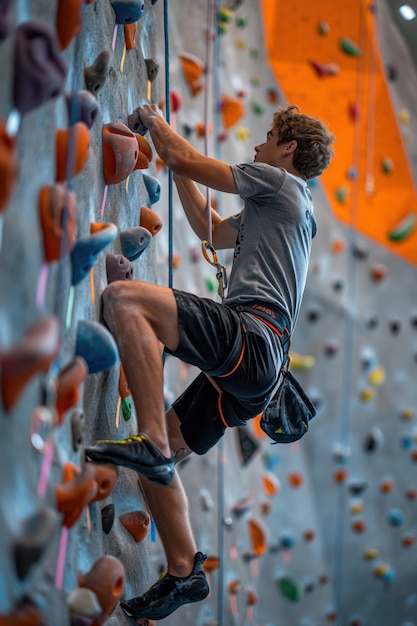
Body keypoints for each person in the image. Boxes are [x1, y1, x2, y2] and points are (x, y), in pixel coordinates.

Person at [86, 103, 335, 621]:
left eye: (268, 138)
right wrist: (177, 168)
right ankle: (184, 569)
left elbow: (185, 154)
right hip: (257, 376)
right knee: (169, 458)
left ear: (287, 149)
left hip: (253, 336)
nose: (257, 146)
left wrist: (154, 120)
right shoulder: (290, 208)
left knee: (125, 302)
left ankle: (150, 441)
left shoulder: (279, 183)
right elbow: (210, 227)